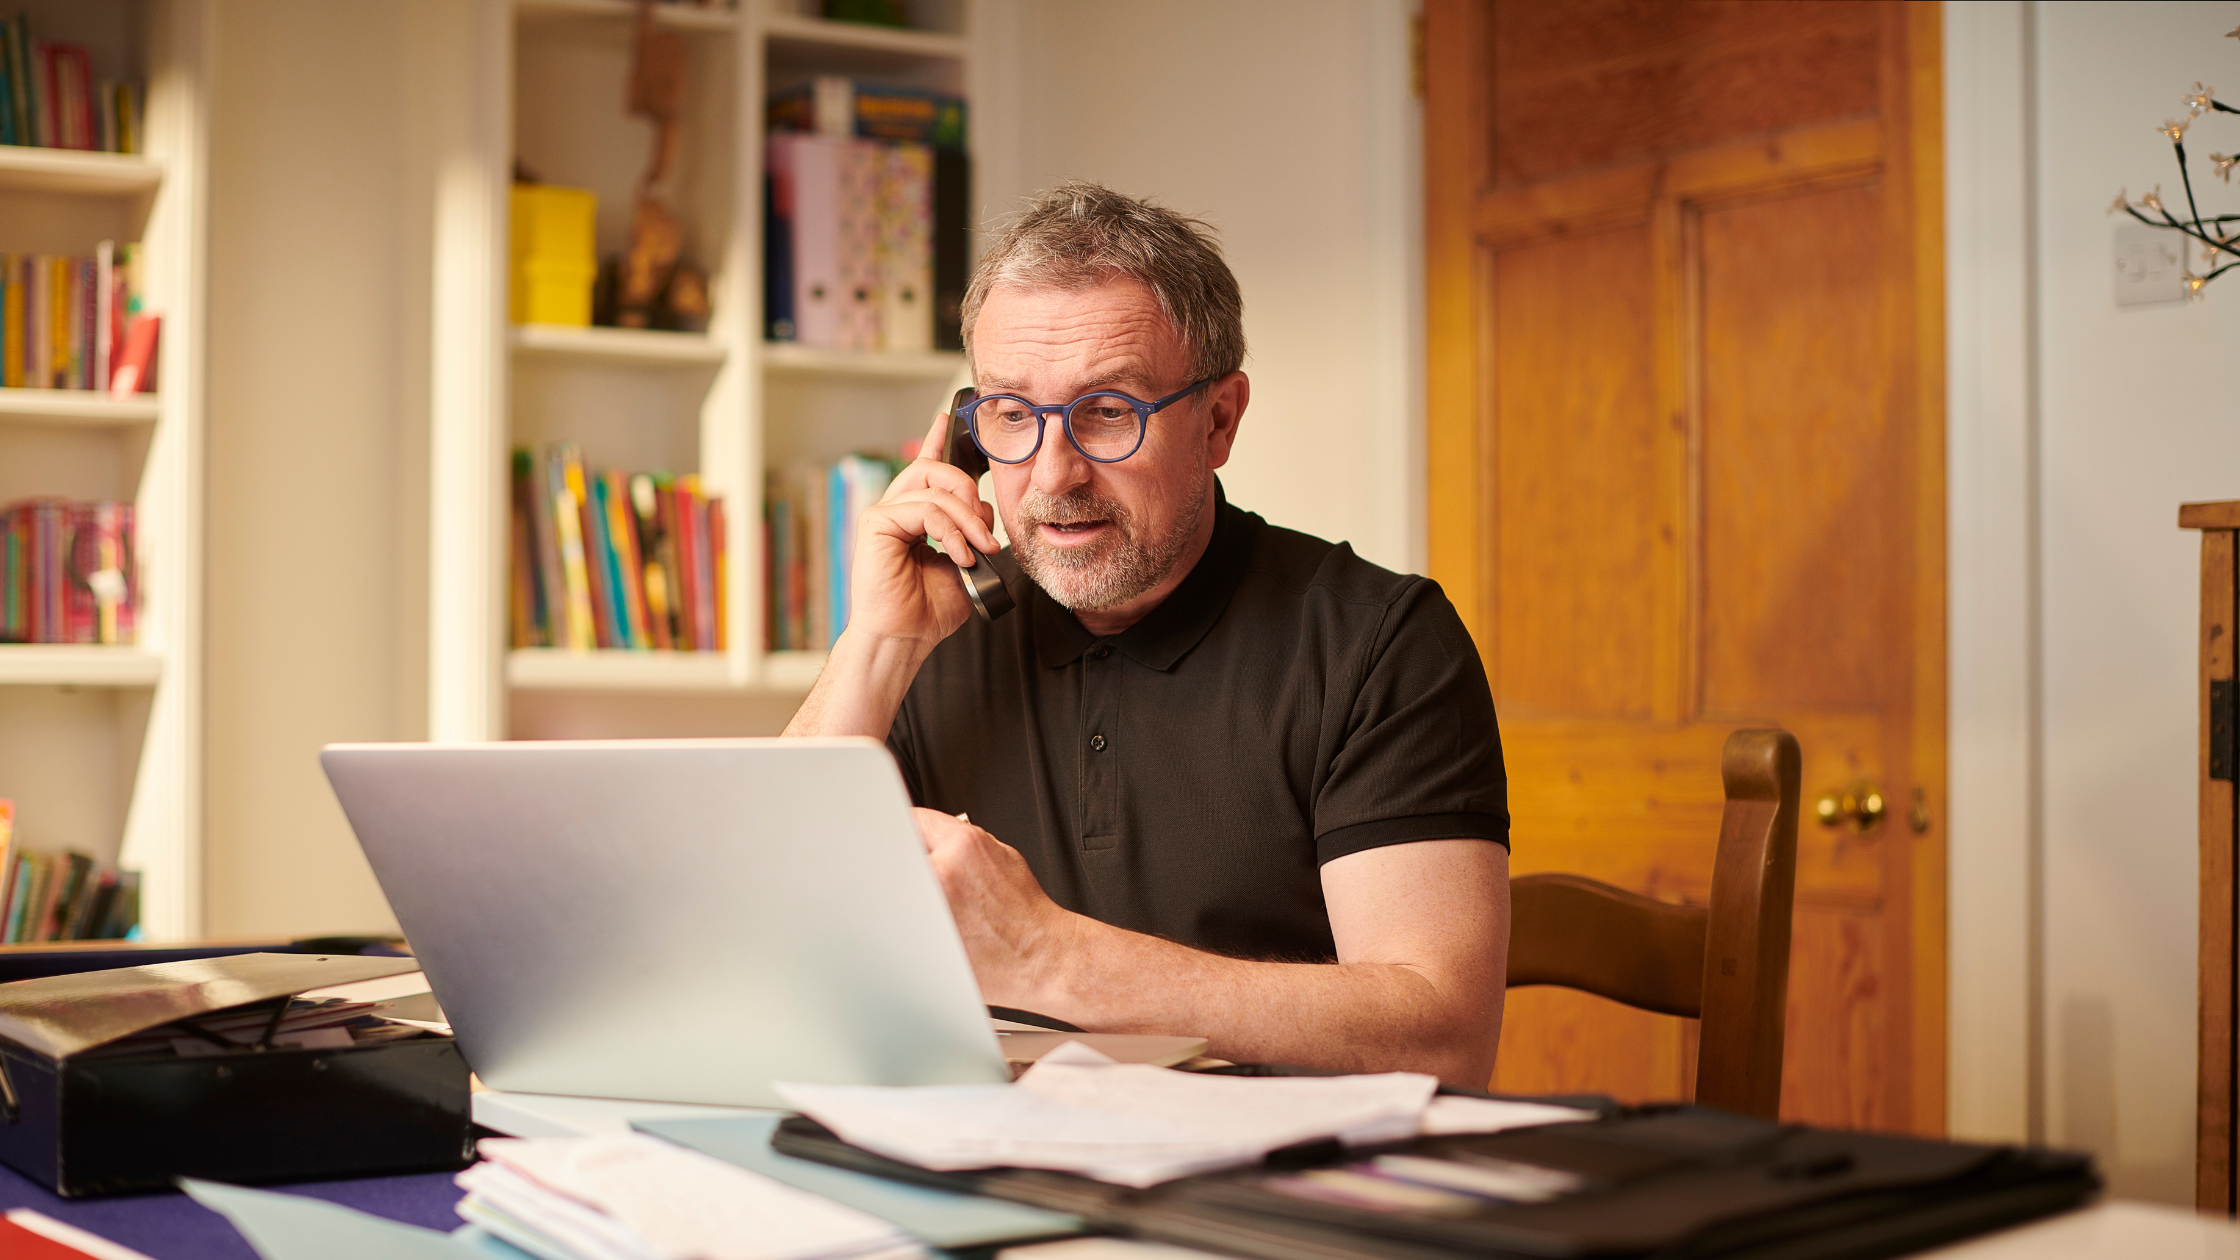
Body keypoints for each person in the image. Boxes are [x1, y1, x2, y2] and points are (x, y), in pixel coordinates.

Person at [785, 183, 1510, 1086]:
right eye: (1012, 413)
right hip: (982, 1146)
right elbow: (756, 937)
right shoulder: (931, 630)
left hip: (1264, 1165)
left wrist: (1053, 959)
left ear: (1219, 420)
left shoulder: (1379, 644)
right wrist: (878, 644)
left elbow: (1444, 1037)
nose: (1054, 473)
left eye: (1108, 410)